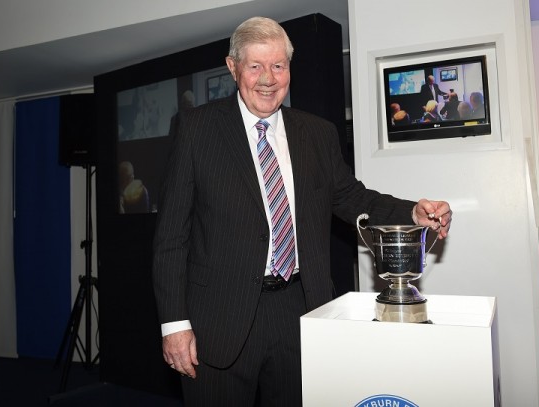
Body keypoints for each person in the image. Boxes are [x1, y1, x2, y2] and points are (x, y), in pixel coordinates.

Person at [152, 16, 452, 407]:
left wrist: (413, 212)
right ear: (233, 67)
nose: (267, 78)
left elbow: (353, 198)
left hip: (301, 312)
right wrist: (174, 325)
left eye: (278, 65)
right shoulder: (196, 129)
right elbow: (171, 238)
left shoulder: (318, 133)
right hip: (218, 319)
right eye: (255, 66)